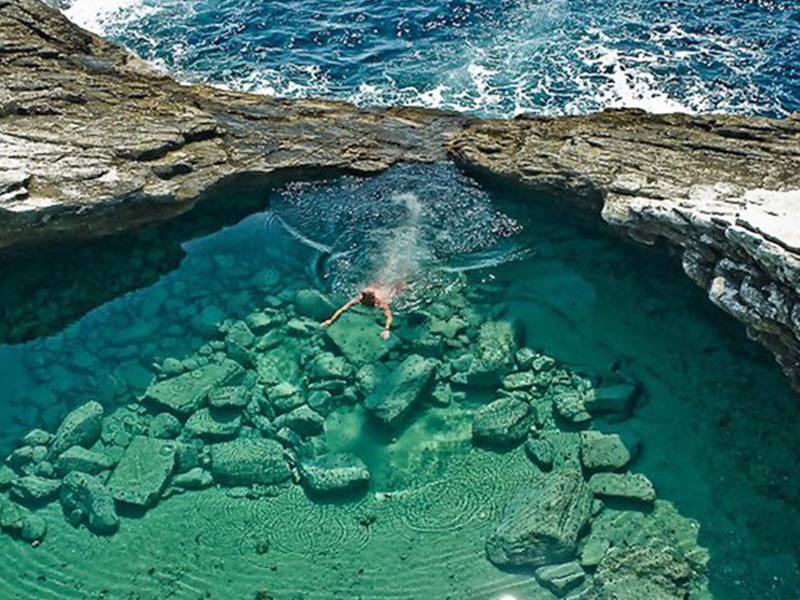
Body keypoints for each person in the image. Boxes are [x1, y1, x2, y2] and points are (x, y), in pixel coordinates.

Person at [321, 286, 394, 339]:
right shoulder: (358, 300)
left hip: (385, 291)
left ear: (372, 298)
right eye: (363, 297)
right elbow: (342, 310)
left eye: (365, 297)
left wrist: (386, 329)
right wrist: (331, 321)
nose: (362, 298)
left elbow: (389, 317)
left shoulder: (380, 302)